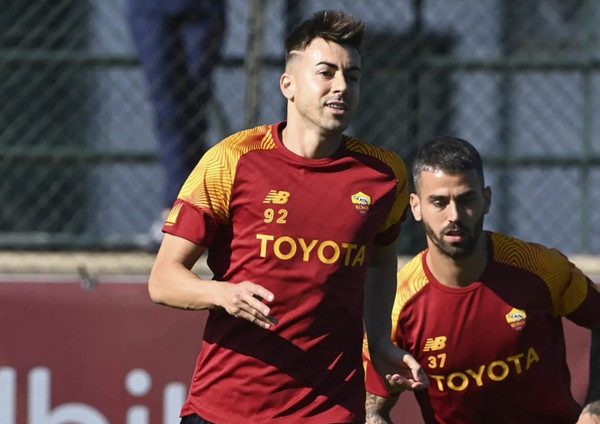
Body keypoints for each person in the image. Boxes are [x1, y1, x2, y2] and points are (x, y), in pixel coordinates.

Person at [148, 9, 426, 424]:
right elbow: (163, 280)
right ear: (288, 84)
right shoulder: (232, 160)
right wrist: (222, 294)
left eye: (352, 76)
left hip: (329, 412)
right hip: (226, 410)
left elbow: (381, 261)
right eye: (326, 72)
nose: (341, 86)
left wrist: (380, 340)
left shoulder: (385, 175)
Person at [363, 136, 600, 424]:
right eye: (439, 202)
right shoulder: (395, 304)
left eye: (466, 200)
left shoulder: (540, 269)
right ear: (415, 206)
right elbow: (370, 409)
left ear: (486, 199)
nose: (454, 215)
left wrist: (595, 409)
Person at [125, 0, 226, 242]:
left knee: (195, 107)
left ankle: (194, 213)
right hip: (151, 9)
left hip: (202, 8)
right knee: (169, 108)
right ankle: (177, 212)